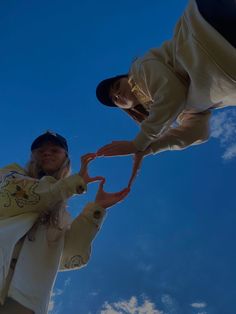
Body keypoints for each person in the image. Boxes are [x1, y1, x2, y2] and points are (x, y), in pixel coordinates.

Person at [96, 0, 236, 184]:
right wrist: (150, 149)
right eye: (115, 100)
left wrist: (138, 143)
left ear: (124, 78)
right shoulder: (176, 111)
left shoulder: (140, 71)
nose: (117, 94)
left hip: (208, 27)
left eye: (115, 86)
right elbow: (198, 133)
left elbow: (171, 93)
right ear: (128, 108)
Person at [0, 131, 129, 314]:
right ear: (32, 156)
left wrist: (96, 209)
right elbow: (14, 198)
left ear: (66, 158)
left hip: (26, 298)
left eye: (55, 149)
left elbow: (71, 254)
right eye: (40, 150)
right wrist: (72, 184)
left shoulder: (60, 216)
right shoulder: (9, 174)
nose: (47, 153)